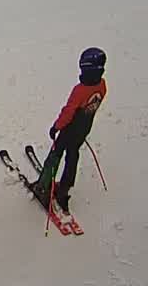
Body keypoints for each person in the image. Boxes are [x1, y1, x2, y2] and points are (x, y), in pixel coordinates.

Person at [36, 48, 108, 213]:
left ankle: (44, 185)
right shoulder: (102, 86)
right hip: (83, 129)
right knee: (73, 155)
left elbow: (68, 112)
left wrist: (56, 127)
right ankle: (65, 188)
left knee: (56, 153)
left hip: (69, 129)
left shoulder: (80, 90)